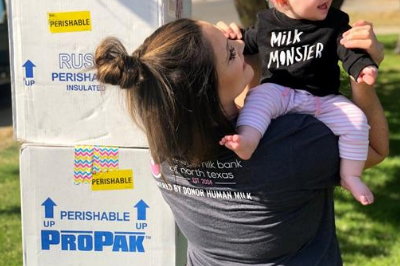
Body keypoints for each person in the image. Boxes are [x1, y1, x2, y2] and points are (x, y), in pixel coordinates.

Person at [94, 17, 388, 266]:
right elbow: (373, 149)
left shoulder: (164, 146)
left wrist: (240, 62)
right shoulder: (290, 142)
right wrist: (360, 72)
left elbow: (245, 114)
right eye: (230, 54)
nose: (239, 44)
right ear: (208, 91)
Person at [217, 0, 379, 206]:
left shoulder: (333, 23)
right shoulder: (268, 24)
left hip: (323, 98)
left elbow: (349, 48)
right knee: (257, 102)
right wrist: (229, 39)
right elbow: (246, 42)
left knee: (357, 122)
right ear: (282, 1)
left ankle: (351, 174)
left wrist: (363, 68)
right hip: (279, 90)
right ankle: (247, 140)